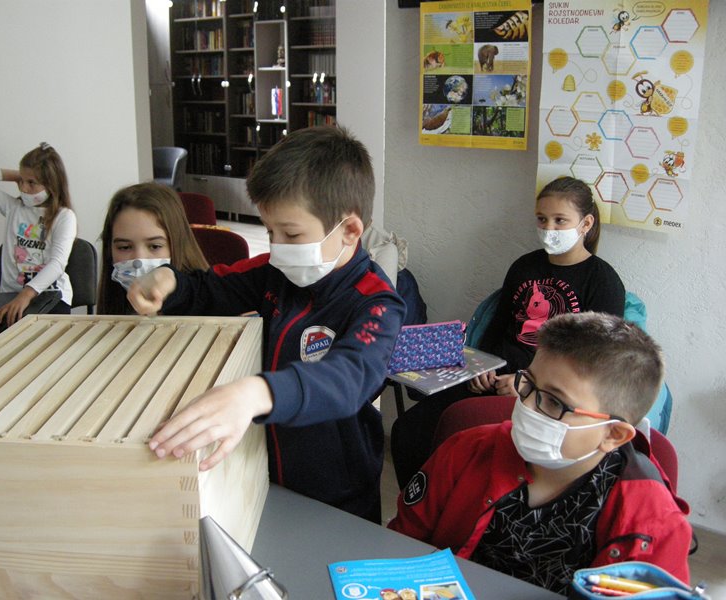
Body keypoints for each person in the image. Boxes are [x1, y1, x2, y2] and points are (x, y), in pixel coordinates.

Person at [127, 125, 406, 523]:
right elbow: (212, 288)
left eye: (290, 234)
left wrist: (255, 393)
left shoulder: (377, 302)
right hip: (267, 474)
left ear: (349, 230)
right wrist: (169, 282)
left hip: (339, 495)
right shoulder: (275, 272)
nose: (276, 249)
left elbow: (348, 378)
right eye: (270, 232)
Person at [388, 312, 692, 595]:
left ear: (613, 434)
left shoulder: (655, 526)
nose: (526, 406)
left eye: (554, 402)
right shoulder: (466, 450)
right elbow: (401, 546)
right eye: (528, 384)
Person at [391, 175, 625, 488]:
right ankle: (422, 505)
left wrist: (530, 385)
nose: (549, 229)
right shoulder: (524, 266)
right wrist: (481, 368)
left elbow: (595, 362)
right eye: (542, 219)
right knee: (409, 430)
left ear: (585, 224)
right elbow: (497, 328)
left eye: (560, 220)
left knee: (483, 449)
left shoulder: (603, 281)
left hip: (546, 393)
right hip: (494, 378)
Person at [0, 143, 76, 351]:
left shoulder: (64, 216)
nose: (23, 188)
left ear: (51, 184)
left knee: (33, 348)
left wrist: (26, 295)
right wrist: (19, 175)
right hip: (10, 297)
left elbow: (57, 263)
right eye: (21, 181)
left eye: (32, 183)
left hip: (51, 296)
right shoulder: (13, 208)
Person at [97, 182, 209, 314]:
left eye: (155, 246)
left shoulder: (205, 304)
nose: (139, 260)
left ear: (177, 245)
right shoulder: (114, 306)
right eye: (124, 247)